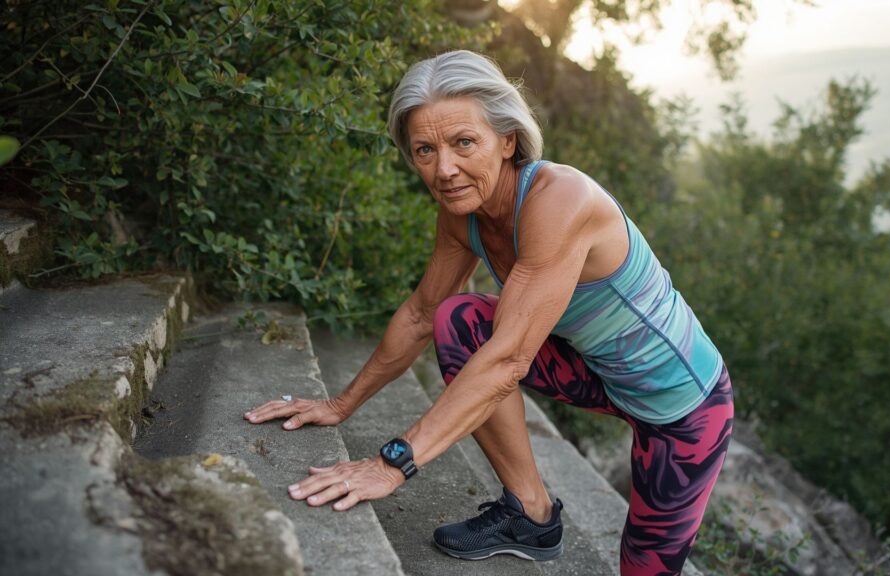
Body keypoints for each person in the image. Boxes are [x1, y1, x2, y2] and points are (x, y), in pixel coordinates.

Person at [243, 50, 733, 576]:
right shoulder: (464, 212)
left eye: (463, 143)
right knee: (458, 319)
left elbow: (508, 361)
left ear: (508, 139)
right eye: (425, 150)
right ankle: (531, 516)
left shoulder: (561, 199)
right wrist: (341, 405)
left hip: (682, 407)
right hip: (592, 373)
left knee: (642, 569)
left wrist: (392, 463)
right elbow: (420, 313)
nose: (444, 169)